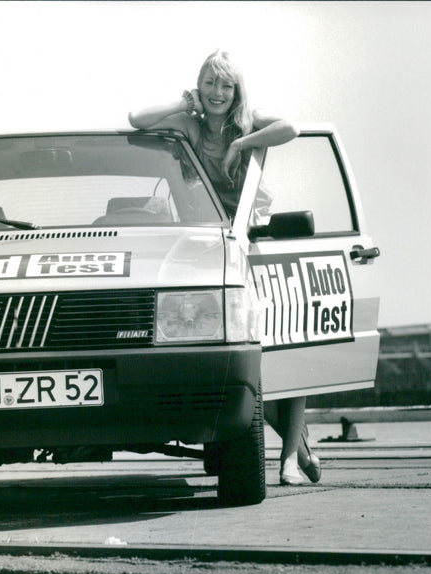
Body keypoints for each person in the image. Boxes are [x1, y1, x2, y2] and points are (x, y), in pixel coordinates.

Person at [128, 49, 320, 485]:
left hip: (254, 233)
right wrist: (182, 103)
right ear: (200, 85)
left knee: (286, 343)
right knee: (249, 353)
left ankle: (290, 459)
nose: (218, 93)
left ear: (237, 92)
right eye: (210, 83)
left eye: (226, 85)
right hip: (211, 242)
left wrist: (241, 143)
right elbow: (137, 118)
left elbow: (292, 127)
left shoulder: (246, 121)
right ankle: (300, 447)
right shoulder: (190, 126)